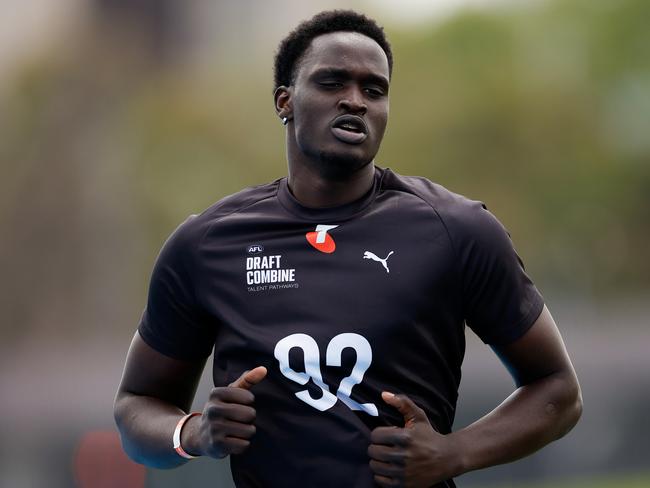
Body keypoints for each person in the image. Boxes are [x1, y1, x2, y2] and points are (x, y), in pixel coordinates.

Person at [114, 10, 582, 488]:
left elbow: (558, 391)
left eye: (373, 90)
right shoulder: (207, 244)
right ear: (285, 101)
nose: (355, 101)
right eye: (333, 82)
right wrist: (192, 433)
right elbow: (136, 408)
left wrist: (453, 452)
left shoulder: (457, 230)